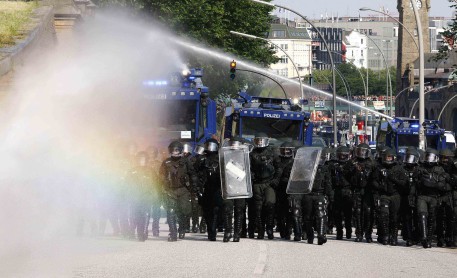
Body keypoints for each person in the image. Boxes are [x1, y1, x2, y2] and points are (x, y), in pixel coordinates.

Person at [160, 141, 197, 241]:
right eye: (172, 150)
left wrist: (194, 188)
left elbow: (192, 174)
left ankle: (182, 229)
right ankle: (173, 233)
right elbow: (161, 176)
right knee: (171, 211)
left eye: (176, 150)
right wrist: (162, 187)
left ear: (180, 150)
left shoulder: (186, 161)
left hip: (183, 190)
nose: (174, 152)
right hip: (170, 190)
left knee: (183, 211)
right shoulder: (166, 162)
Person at [415, 148, 450, 248]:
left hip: (434, 197)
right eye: (427, 156)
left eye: (431, 157)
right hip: (422, 195)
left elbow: (442, 184)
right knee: (422, 215)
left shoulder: (439, 169)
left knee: (432, 219)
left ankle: (429, 239)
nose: (429, 159)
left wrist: (431, 183)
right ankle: (424, 237)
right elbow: (415, 183)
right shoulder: (420, 168)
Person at [250, 132, 282, 239]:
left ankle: (269, 228)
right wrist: (252, 178)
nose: (259, 142)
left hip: (269, 183)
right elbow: (248, 168)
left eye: (261, 140)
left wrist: (275, 180)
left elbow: (279, 169)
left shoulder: (273, 154)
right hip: (257, 183)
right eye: (257, 140)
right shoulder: (252, 154)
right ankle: (260, 229)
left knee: (270, 204)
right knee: (258, 208)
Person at [372, 149, 406, 246]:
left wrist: (393, 179)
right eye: (386, 157)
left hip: (395, 195)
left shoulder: (399, 169)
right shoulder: (380, 168)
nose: (388, 159)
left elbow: (404, 183)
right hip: (384, 195)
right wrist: (379, 186)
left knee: (395, 217)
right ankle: (385, 235)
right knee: (384, 215)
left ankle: (394, 236)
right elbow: (374, 181)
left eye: (389, 157)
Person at [302, 147, 334, 245]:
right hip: (308, 194)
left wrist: (330, 196)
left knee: (321, 214)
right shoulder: (307, 168)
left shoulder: (324, 169)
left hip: (320, 194)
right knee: (308, 216)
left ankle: (321, 235)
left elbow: (328, 183)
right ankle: (310, 235)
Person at [199, 138, 224, 241]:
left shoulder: (221, 158)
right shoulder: (202, 159)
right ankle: (210, 231)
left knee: (216, 210)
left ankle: (213, 231)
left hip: (217, 187)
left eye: (212, 146)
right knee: (207, 211)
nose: (210, 148)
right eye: (208, 145)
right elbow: (195, 172)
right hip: (206, 188)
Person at [127, 151, 155, 241]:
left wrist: (154, 195)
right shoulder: (132, 171)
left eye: (143, 159)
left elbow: (155, 184)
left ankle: (143, 232)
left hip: (146, 196)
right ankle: (132, 231)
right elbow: (126, 184)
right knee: (134, 215)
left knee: (145, 214)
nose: (141, 161)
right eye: (140, 159)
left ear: (146, 160)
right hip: (135, 196)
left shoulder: (151, 171)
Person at [351, 143, 375, 243]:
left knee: (368, 212)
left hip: (368, 191)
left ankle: (368, 233)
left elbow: (375, 178)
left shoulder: (371, 163)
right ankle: (359, 233)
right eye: (359, 151)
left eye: (363, 151)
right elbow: (347, 175)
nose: (361, 153)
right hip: (357, 190)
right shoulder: (353, 162)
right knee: (358, 212)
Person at [332, 145, 354, 240]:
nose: (341, 157)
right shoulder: (334, 164)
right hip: (337, 190)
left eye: (343, 155)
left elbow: (353, 179)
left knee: (348, 213)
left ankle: (348, 231)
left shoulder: (351, 164)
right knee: (337, 213)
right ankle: (339, 232)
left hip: (347, 190)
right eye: (340, 155)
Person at [436, 148, 455, 247]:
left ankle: (449, 238)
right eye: (444, 158)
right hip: (439, 195)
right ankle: (440, 238)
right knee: (439, 218)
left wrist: (450, 180)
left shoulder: (453, 168)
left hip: (449, 195)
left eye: (447, 158)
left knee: (450, 218)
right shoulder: (437, 167)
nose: (445, 161)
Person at [147, 146, 163, 237]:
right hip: (146, 189)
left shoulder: (160, 164)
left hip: (157, 189)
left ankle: (155, 228)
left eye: (153, 152)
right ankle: (144, 227)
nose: (151, 154)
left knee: (156, 210)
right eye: (149, 152)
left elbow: (162, 176)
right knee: (146, 209)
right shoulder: (144, 164)